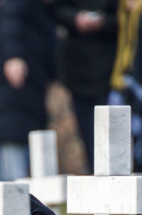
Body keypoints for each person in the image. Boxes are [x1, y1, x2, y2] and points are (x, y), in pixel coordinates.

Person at [0, 0, 59, 181]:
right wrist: (14, 55)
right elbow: (11, 23)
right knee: (13, 152)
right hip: (15, 101)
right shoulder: (20, 9)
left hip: (30, 96)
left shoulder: (41, 11)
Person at [52, 0, 120, 172]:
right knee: (87, 131)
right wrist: (75, 19)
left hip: (109, 70)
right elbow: (56, 10)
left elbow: (123, 18)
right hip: (77, 70)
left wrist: (103, 22)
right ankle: (93, 171)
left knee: (109, 129)